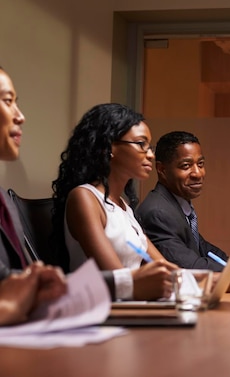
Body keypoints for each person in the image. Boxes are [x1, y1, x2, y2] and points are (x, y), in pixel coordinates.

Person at [51, 103, 178, 301]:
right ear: (108, 147)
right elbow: (119, 281)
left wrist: (213, 280)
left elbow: (165, 269)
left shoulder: (123, 206)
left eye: (149, 146)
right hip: (105, 313)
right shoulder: (84, 198)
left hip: (133, 306)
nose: (151, 155)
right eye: (141, 144)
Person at [136, 131, 230, 292]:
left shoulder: (176, 206)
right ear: (161, 169)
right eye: (186, 166)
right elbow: (191, 267)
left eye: (201, 164)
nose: (197, 173)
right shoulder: (158, 212)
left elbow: (208, 252)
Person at [0, 66, 67, 325]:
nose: (20, 116)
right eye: (8, 102)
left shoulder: (6, 199)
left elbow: (10, 280)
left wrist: (35, 279)